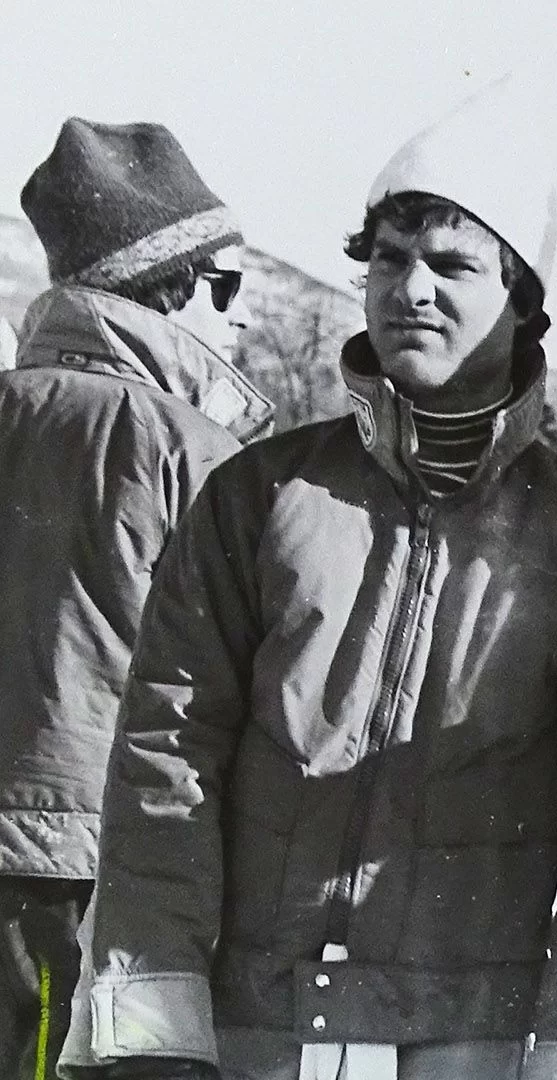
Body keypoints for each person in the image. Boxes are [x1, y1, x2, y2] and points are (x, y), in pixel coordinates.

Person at [60, 83, 557, 1080]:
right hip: (253, 1020)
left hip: (466, 1035)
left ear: (521, 301)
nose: (410, 288)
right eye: (389, 259)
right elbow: (166, 764)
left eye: (451, 264)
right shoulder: (258, 496)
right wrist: (154, 1023)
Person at [0, 118, 270, 1080]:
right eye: (229, 288)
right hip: (96, 871)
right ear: (170, 287)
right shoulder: (195, 452)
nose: (242, 319)